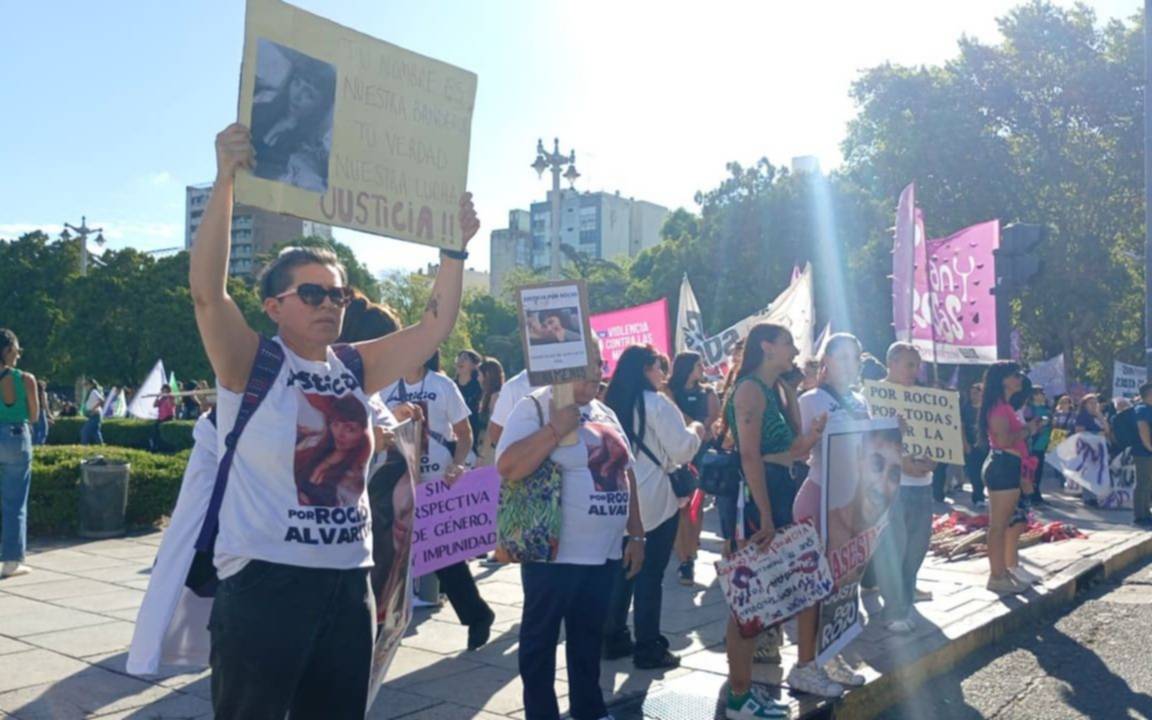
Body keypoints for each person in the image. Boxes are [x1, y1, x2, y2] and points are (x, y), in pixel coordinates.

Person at [188, 122, 478, 719]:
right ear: (273, 306)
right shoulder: (251, 363)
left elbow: (434, 328)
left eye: (337, 295)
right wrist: (225, 180)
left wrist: (454, 250)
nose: (328, 304)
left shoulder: (353, 367)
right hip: (264, 584)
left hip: (348, 583)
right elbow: (208, 295)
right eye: (312, 293)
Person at [495, 343, 645, 720]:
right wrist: (553, 429)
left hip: (604, 551)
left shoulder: (605, 411)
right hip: (554, 552)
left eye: (599, 363)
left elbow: (625, 473)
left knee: (588, 638)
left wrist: (636, 534)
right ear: (561, 365)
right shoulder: (534, 406)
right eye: (586, 364)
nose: (596, 371)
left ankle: (588, 709)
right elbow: (508, 466)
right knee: (540, 641)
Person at [721, 323, 825, 717]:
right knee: (748, 598)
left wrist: (809, 427)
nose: (795, 351)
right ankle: (739, 696)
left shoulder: (774, 389)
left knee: (763, 595)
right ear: (766, 347)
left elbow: (792, 446)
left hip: (779, 489)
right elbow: (750, 456)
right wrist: (764, 513)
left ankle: (744, 692)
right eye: (788, 343)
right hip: (759, 494)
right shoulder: (750, 389)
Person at [378, 350, 495, 649]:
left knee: (444, 556)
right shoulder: (386, 387)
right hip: (397, 479)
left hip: (435, 482)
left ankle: (477, 615)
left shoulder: (443, 386)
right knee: (390, 553)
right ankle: (382, 625)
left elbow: (464, 434)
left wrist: (458, 464)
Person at [602, 345, 704, 670]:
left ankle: (613, 636)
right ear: (646, 369)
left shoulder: (610, 404)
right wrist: (697, 430)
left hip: (618, 497)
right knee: (650, 573)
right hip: (655, 498)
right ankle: (648, 645)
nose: (663, 374)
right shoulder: (657, 403)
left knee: (622, 570)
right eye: (659, 367)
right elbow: (683, 450)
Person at [790, 334, 874, 697]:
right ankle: (805, 665)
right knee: (814, 586)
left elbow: (871, 449)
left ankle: (830, 654)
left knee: (842, 584)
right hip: (819, 498)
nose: (849, 364)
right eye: (842, 357)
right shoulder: (810, 399)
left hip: (851, 502)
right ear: (826, 361)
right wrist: (814, 434)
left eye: (855, 357)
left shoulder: (860, 400)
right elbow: (796, 450)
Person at [872, 343, 936, 633]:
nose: (915, 371)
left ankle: (905, 602)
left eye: (917, 365)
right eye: (910, 364)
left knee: (916, 548)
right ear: (892, 363)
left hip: (923, 483)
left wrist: (935, 459)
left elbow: (938, 437)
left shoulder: (923, 398)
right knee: (893, 547)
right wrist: (901, 463)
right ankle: (893, 610)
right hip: (892, 485)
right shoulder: (874, 396)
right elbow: (870, 441)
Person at [980, 362, 1041, 594]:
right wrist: (1028, 430)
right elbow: (1004, 440)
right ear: (1003, 379)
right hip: (1003, 465)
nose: (1020, 378)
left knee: (1006, 524)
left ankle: (1004, 572)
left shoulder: (1003, 405)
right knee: (999, 526)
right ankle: (997, 576)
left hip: (1009, 466)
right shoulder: (998, 407)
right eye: (1016, 375)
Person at [667, 351, 721, 586]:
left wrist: (702, 427)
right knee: (681, 507)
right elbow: (673, 417)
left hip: (700, 456)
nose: (703, 369)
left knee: (695, 507)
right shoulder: (669, 391)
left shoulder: (707, 392)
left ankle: (691, 545)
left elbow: (714, 418)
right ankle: (685, 558)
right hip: (677, 455)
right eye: (699, 365)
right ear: (687, 367)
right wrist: (695, 426)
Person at [250, 45, 335, 192]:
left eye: (309, 94)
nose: (297, 95)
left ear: (320, 106)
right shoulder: (260, 109)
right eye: (296, 83)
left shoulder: (309, 151)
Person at [0, 329, 38, 579]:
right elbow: (34, 415)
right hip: (16, 438)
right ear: (8, 350)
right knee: (15, 503)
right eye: (17, 351)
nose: (18, 355)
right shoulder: (25, 379)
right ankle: (12, 561)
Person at [962, 383, 988, 508]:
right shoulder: (965, 408)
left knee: (986, 471)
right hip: (971, 445)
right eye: (972, 393)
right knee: (974, 472)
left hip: (986, 445)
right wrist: (965, 444)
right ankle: (978, 496)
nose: (974, 395)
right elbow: (961, 427)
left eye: (977, 393)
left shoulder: (986, 408)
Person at [476, 358, 504, 467]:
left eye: (479, 374)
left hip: (490, 452)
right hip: (485, 448)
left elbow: (491, 427)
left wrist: (482, 455)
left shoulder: (496, 396)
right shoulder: (487, 396)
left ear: (487, 375)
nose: (477, 378)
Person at [1026, 387, 1053, 505]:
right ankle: (1031, 495)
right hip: (1033, 444)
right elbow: (1027, 424)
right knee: (1033, 472)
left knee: (1039, 472)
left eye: (1043, 393)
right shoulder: (1029, 409)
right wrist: (1038, 423)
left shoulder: (1047, 409)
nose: (1042, 396)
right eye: (1039, 394)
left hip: (1044, 443)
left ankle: (1037, 495)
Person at [454, 349, 484, 452]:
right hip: (454, 436)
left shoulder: (480, 386)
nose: (460, 361)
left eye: (465, 358)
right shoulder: (450, 385)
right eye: (459, 358)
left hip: (475, 435)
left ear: (474, 365)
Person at [1132, 382, 1152, 527]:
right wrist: (1149, 447)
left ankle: (1146, 512)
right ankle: (1140, 516)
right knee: (1143, 483)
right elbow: (1143, 429)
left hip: (1148, 452)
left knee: (1148, 483)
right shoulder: (1142, 409)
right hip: (1143, 452)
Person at [81, 380, 105, 445]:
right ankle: (101, 445)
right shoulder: (91, 392)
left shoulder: (94, 391)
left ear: (91, 385)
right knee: (95, 432)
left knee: (84, 431)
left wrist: (94, 409)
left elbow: (102, 400)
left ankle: (84, 446)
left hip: (95, 414)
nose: (85, 387)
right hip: (93, 415)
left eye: (87, 385)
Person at [32, 380, 50, 446]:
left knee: (35, 430)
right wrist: (49, 414)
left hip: (34, 411)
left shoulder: (33, 393)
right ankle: (40, 443)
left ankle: (34, 444)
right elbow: (44, 404)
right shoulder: (43, 393)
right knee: (44, 429)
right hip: (41, 411)